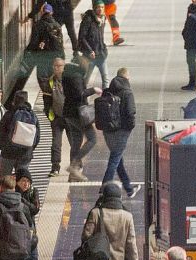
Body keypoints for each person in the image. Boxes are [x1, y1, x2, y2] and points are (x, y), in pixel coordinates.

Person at [9, 2, 65, 99]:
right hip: (56, 58)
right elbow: (60, 43)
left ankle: (48, 98)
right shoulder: (57, 25)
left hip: (43, 58)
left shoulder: (38, 24)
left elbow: (34, 43)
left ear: (42, 12)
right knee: (54, 79)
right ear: (51, 13)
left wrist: (27, 52)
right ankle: (56, 97)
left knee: (43, 80)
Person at [101, 67, 138, 197]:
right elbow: (130, 112)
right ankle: (104, 189)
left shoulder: (107, 91)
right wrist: (130, 127)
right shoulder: (127, 92)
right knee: (114, 159)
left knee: (117, 159)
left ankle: (129, 188)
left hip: (107, 130)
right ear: (127, 78)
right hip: (121, 131)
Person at [62, 62, 100, 182]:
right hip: (79, 114)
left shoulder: (66, 75)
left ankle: (73, 174)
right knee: (92, 139)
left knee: (76, 142)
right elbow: (80, 94)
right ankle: (73, 166)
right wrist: (93, 90)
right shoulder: (76, 76)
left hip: (68, 113)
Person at [0, 91, 40, 178]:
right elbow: (37, 136)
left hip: (8, 153)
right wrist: (30, 149)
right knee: (21, 178)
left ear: (14, 100)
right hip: (25, 153)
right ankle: (19, 192)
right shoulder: (32, 115)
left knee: (4, 179)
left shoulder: (9, 114)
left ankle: (5, 191)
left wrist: (2, 147)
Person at [15, 168, 41, 260]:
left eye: (28, 181)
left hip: (30, 231)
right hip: (17, 232)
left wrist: (22, 201)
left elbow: (35, 209)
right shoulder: (12, 193)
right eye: (23, 181)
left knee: (33, 259)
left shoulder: (32, 192)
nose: (26, 184)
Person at [42, 57, 67, 177]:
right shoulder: (49, 82)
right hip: (56, 118)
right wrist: (50, 116)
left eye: (59, 66)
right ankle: (55, 167)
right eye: (55, 66)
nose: (57, 68)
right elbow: (46, 102)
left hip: (69, 117)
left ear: (64, 66)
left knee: (74, 142)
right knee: (56, 143)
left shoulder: (70, 80)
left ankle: (77, 164)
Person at [78, 0, 109, 88]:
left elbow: (100, 37)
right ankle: (82, 98)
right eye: (99, 7)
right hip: (90, 55)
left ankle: (106, 98)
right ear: (94, 8)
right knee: (86, 78)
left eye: (102, 7)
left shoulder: (103, 19)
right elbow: (82, 37)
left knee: (105, 78)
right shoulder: (88, 19)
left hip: (101, 54)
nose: (101, 9)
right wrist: (89, 50)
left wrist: (104, 49)